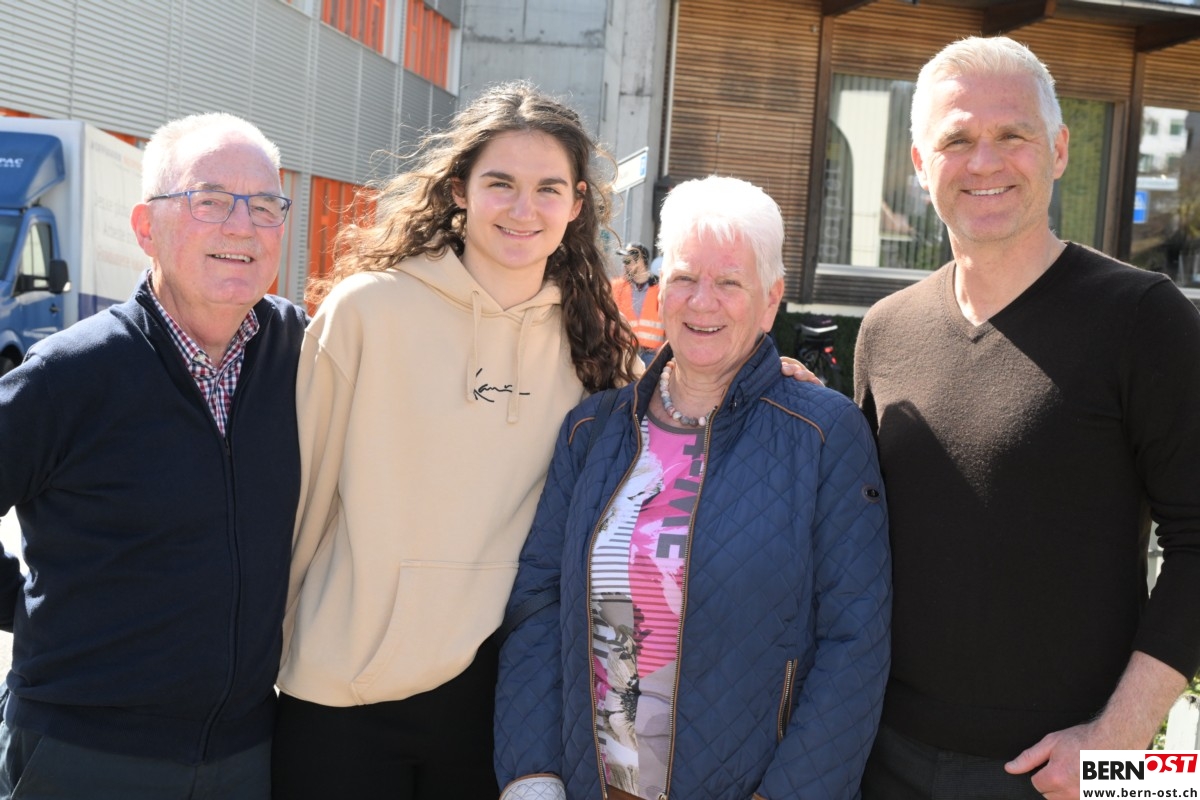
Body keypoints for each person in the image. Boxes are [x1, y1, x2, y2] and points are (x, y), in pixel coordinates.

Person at [271, 81, 642, 800]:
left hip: (497, 701)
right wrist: (263, 654)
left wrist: (773, 378)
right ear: (458, 190)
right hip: (340, 690)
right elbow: (299, 500)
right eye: (500, 183)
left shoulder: (594, 345)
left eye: (548, 188)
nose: (523, 209)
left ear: (576, 205)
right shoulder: (368, 312)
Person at [855, 36, 1200, 800]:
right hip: (883, 760)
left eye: (1012, 135)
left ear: (1060, 150)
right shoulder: (885, 330)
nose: (984, 162)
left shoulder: (1143, 318)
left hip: (1069, 770)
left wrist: (1117, 744)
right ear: (920, 164)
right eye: (957, 140)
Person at [494, 175, 892, 800]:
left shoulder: (824, 433)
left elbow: (856, 641)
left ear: (770, 300)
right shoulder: (593, 431)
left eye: (730, 282)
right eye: (684, 277)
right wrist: (531, 772)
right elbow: (538, 604)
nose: (703, 302)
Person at [0, 113, 307, 798]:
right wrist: (23, 605)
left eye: (265, 205)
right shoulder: (70, 374)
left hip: (247, 755)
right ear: (146, 228)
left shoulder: (305, 355)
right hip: (84, 754)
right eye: (210, 200)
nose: (242, 226)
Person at [611, 241, 664, 364]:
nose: (624, 264)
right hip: (624, 352)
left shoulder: (660, 289)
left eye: (627, 261)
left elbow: (669, 322)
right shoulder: (616, 287)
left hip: (652, 355)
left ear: (640, 262)